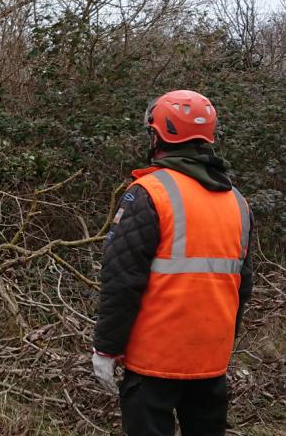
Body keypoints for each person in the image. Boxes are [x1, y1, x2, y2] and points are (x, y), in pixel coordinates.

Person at [92, 90, 253, 436]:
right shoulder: (237, 203)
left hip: (153, 364)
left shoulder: (149, 193)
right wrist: (221, 342)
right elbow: (244, 286)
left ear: (158, 135)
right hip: (211, 362)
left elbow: (121, 280)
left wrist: (106, 347)